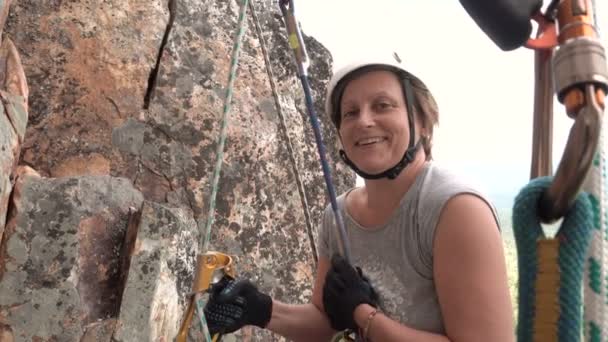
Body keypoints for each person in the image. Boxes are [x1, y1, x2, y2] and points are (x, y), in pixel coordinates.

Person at [203, 52, 515, 341]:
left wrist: (363, 315)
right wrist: (260, 309)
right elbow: (326, 321)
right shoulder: (339, 216)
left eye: (383, 105)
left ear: (420, 121)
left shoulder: (454, 208)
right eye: (350, 112)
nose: (364, 121)